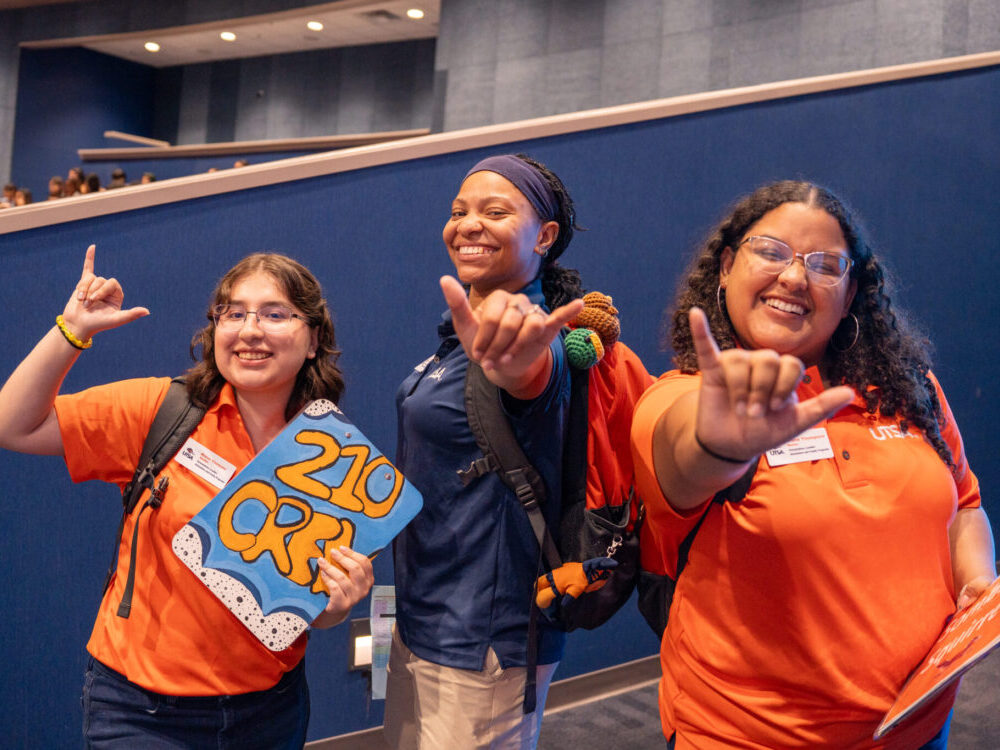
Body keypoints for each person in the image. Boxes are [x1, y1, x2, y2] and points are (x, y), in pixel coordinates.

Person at [631, 180, 996, 749]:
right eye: (770, 252)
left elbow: (964, 505)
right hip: (749, 738)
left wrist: (977, 585)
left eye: (825, 265)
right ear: (726, 267)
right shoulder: (680, 400)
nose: (795, 277)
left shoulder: (910, 389)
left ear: (848, 297)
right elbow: (685, 462)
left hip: (918, 727)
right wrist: (722, 442)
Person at [0, 247, 375, 748]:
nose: (249, 330)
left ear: (313, 339)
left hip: (270, 710)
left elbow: (312, 609)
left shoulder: (331, 456)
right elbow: (13, 425)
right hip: (142, 713)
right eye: (233, 313)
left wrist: (340, 603)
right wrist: (72, 331)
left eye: (274, 314)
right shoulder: (162, 409)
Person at [385, 154, 586, 750]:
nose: (468, 224)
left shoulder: (533, 341)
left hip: (484, 639)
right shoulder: (457, 339)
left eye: (495, 212)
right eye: (459, 211)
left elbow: (528, 374)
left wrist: (516, 360)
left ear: (544, 237)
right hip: (420, 619)